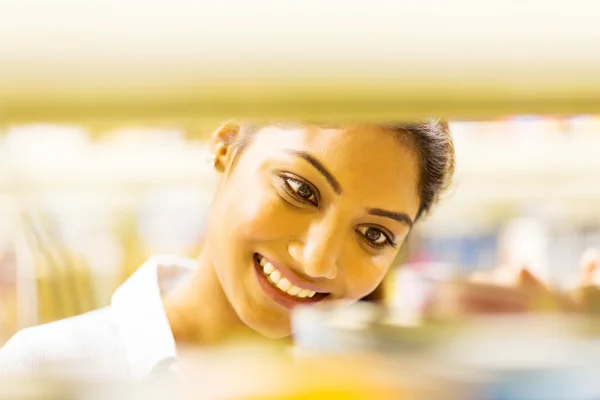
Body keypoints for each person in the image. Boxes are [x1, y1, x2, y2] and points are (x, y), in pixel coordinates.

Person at [0, 120, 595, 380]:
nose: (316, 261)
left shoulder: (387, 384)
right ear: (226, 149)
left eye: (374, 235)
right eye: (300, 189)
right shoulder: (45, 367)